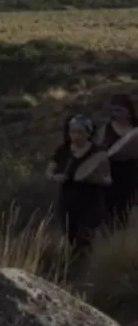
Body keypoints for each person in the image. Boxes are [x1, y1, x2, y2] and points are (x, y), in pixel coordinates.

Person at [49, 113, 111, 252]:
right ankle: (75, 261)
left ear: (88, 133)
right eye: (73, 132)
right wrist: (56, 177)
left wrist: (93, 178)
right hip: (68, 201)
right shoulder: (63, 150)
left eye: (80, 132)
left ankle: (83, 262)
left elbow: (107, 178)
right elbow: (49, 171)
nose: (76, 136)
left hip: (91, 202)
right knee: (70, 237)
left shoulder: (98, 152)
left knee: (84, 238)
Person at [97, 94, 138, 229]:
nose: (116, 114)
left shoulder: (135, 128)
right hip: (112, 174)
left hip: (132, 173)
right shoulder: (106, 129)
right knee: (112, 213)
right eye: (114, 110)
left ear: (128, 111)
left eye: (119, 110)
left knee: (130, 211)